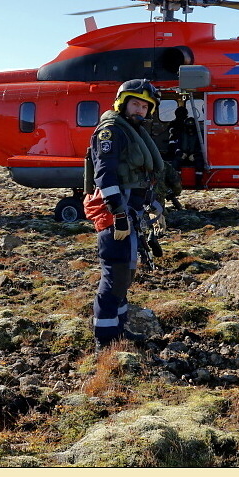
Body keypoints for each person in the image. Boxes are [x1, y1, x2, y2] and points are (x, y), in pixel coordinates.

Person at [83, 78, 165, 351]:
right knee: (115, 275)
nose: (140, 109)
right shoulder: (111, 131)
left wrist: (153, 205)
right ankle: (104, 342)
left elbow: (138, 177)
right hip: (115, 214)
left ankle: (117, 332)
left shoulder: (131, 130)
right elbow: (105, 174)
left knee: (125, 276)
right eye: (135, 103)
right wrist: (118, 215)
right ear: (122, 102)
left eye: (145, 106)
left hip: (130, 213)